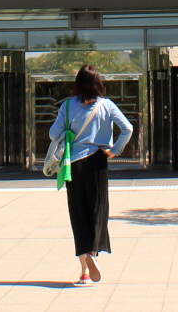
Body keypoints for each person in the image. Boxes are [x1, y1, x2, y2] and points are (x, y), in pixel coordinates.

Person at [49, 65, 133, 285]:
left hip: (72, 164)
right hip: (97, 160)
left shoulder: (67, 106)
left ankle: (85, 271)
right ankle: (93, 253)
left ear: (78, 83)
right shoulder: (107, 105)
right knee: (98, 211)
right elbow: (128, 128)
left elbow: (53, 133)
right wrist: (114, 150)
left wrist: (70, 131)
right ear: (99, 83)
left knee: (78, 214)